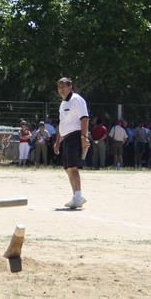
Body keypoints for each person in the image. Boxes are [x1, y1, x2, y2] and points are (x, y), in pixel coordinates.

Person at [53, 77, 89, 209]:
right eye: (59, 87)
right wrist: (58, 141)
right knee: (67, 168)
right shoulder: (63, 104)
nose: (61, 89)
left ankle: (78, 195)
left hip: (75, 136)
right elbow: (62, 123)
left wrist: (84, 138)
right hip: (66, 138)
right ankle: (76, 196)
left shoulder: (76, 100)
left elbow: (84, 119)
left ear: (70, 87)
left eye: (63, 86)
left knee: (73, 167)